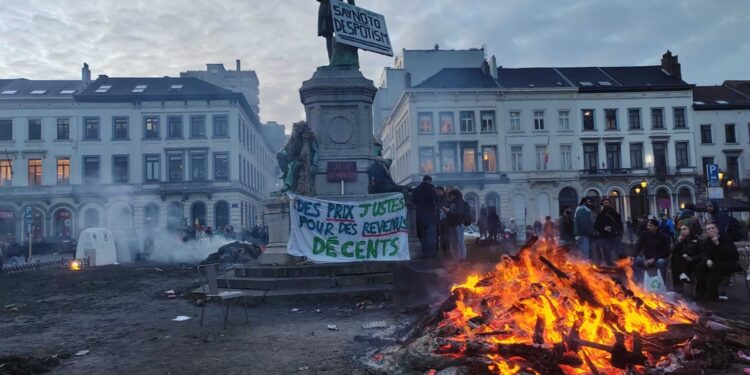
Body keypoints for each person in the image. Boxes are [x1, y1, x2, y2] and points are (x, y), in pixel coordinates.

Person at [695, 222, 742, 301]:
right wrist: (707, 259)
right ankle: (701, 292)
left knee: (714, 268)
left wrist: (717, 243)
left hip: (729, 263)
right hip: (714, 262)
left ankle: (712, 295)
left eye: (713, 228)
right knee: (700, 266)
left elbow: (732, 254)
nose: (711, 230)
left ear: (717, 229)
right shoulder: (707, 241)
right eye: (708, 229)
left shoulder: (725, 238)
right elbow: (704, 253)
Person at [670, 224, 703, 293]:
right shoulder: (680, 239)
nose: (682, 231)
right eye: (681, 229)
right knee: (674, 258)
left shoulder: (696, 240)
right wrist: (678, 242)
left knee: (678, 264)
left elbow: (701, 253)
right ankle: (678, 287)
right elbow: (673, 251)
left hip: (692, 262)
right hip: (682, 262)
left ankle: (684, 275)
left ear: (690, 230)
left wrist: (692, 258)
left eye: (684, 229)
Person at [412, 175, 438, 258]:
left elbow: (413, 202)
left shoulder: (416, 189)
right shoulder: (431, 188)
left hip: (420, 216)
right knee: (431, 236)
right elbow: (434, 201)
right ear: (430, 180)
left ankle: (425, 253)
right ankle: (432, 253)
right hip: (430, 216)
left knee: (423, 236)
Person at [594, 197, 624, 264]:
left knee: (620, 251)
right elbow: (596, 226)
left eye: (607, 203)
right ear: (602, 205)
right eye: (605, 203)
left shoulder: (616, 214)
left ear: (610, 203)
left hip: (615, 236)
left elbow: (620, 225)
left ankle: (624, 265)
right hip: (605, 237)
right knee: (607, 253)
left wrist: (620, 234)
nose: (606, 204)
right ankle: (610, 266)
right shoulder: (600, 215)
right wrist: (603, 228)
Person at [443, 189, 468, 261]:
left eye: (451, 195)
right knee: (454, 241)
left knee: (460, 241)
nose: (450, 197)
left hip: (458, 223)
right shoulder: (452, 203)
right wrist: (447, 211)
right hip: (452, 224)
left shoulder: (460, 203)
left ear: (454, 195)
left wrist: (449, 211)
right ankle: (456, 257)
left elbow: (459, 214)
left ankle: (462, 257)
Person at [435, 186, 450, 257]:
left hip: (446, 221)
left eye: (439, 191)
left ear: (442, 191)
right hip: (440, 221)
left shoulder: (446, 199)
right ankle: (444, 250)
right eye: (436, 191)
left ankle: (447, 250)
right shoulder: (438, 199)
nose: (437, 193)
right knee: (442, 236)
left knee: (446, 236)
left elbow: (447, 207)